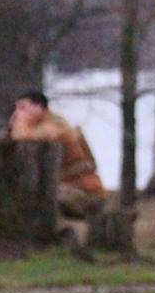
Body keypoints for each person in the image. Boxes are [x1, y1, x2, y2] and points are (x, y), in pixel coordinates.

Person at [9, 91, 106, 220]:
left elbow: (25, 136)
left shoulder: (55, 125)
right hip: (69, 190)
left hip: (85, 193)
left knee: (42, 199)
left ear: (38, 107)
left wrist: (18, 123)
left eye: (22, 108)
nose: (17, 113)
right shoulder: (38, 125)